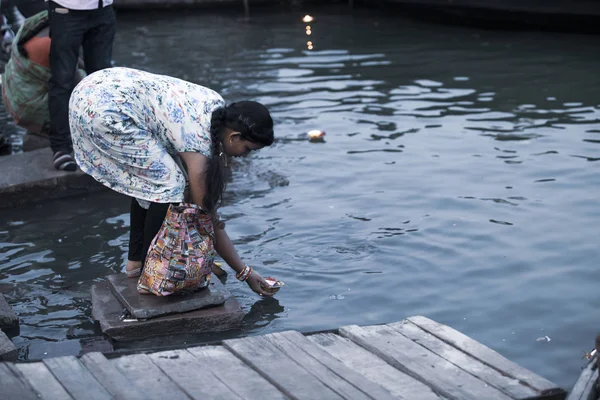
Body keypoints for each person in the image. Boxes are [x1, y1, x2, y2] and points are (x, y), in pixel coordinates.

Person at [69, 67, 276, 297]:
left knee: (153, 182)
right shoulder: (199, 148)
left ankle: (135, 265)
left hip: (94, 87)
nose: (244, 156)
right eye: (247, 149)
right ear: (234, 137)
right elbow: (204, 217)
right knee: (169, 185)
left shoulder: (215, 106)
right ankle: (152, 273)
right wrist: (245, 272)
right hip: (106, 111)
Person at [48, 0, 116, 171]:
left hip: (103, 9)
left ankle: (102, 141)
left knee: (102, 81)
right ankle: (61, 147)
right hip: (66, 10)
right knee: (62, 80)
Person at [2, 10, 85, 136]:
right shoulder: (53, 43)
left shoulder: (34, 23)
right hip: (30, 109)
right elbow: (82, 82)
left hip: (12, 95)